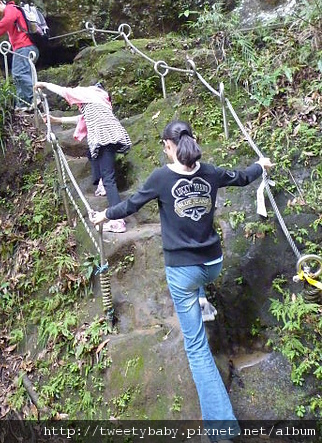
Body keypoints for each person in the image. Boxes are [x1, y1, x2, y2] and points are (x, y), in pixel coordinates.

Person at [91, 119, 273, 439]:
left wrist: (104, 214)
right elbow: (243, 177)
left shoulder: (161, 178)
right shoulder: (211, 172)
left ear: (169, 146)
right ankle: (202, 298)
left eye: (165, 146)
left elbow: (131, 205)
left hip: (183, 271)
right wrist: (259, 164)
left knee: (197, 348)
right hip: (213, 262)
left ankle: (221, 428)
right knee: (197, 278)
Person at [35, 81, 132, 233]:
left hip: (103, 137)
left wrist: (46, 84)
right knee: (99, 164)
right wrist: (57, 120)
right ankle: (102, 186)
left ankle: (118, 220)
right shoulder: (100, 101)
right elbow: (82, 119)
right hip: (113, 135)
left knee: (108, 179)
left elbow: (65, 90)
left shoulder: (89, 93)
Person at [0, 0, 39, 111]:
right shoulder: (11, 11)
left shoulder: (11, 9)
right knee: (19, 75)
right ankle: (23, 104)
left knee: (19, 73)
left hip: (24, 47)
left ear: (0, 3)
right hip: (23, 48)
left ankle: (34, 98)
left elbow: (6, 22)